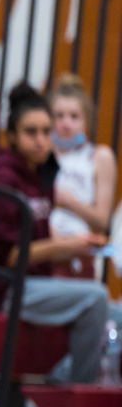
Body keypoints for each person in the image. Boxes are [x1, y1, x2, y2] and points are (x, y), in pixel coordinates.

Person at [0, 83, 122, 384]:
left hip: (31, 279)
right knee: (95, 299)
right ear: (11, 137)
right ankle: (78, 389)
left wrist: (78, 246)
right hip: (0, 286)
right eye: (30, 132)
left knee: (114, 314)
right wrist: (67, 244)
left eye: (46, 132)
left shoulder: (40, 174)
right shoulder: (3, 178)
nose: (41, 140)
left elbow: (39, 245)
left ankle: (63, 381)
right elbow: (10, 257)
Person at [47, 74, 118, 278]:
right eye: (59, 116)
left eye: (74, 116)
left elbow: (103, 222)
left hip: (80, 250)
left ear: (87, 120)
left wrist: (66, 201)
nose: (66, 123)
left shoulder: (99, 156)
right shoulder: (42, 155)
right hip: (45, 245)